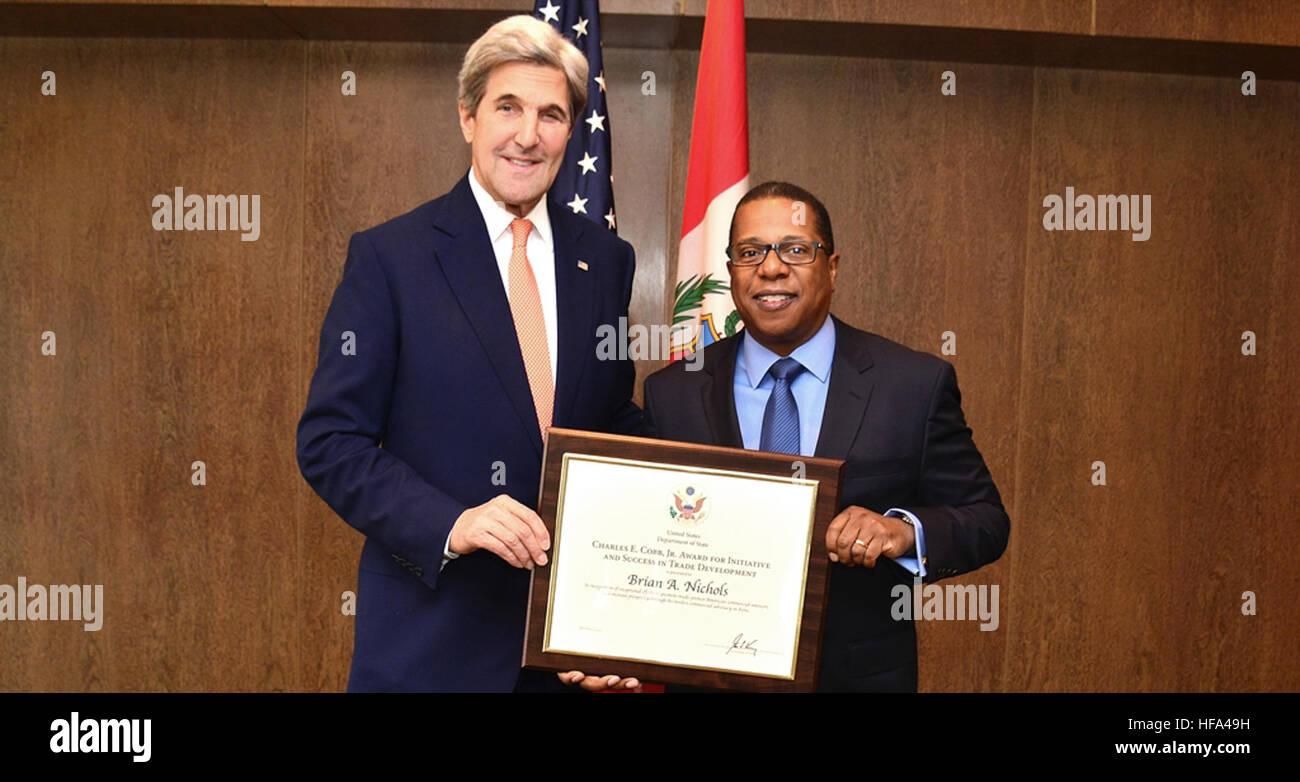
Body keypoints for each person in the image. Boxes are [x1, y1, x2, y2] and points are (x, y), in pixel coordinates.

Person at [296, 15, 640, 692]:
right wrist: (453, 522)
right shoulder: (390, 257)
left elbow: (608, 424)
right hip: (430, 649)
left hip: (567, 647)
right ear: (467, 119)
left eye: (551, 114)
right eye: (506, 107)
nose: (527, 134)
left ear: (571, 133)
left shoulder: (604, 260)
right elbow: (331, 442)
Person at [641, 181, 1010, 692]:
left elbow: (986, 520)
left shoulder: (912, 384)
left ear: (831, 267)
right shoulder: (672, 393)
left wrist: (901, 532)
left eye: (795, 249)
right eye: (751, 253)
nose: (771, 268)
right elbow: (645, 538)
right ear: (731, 273)